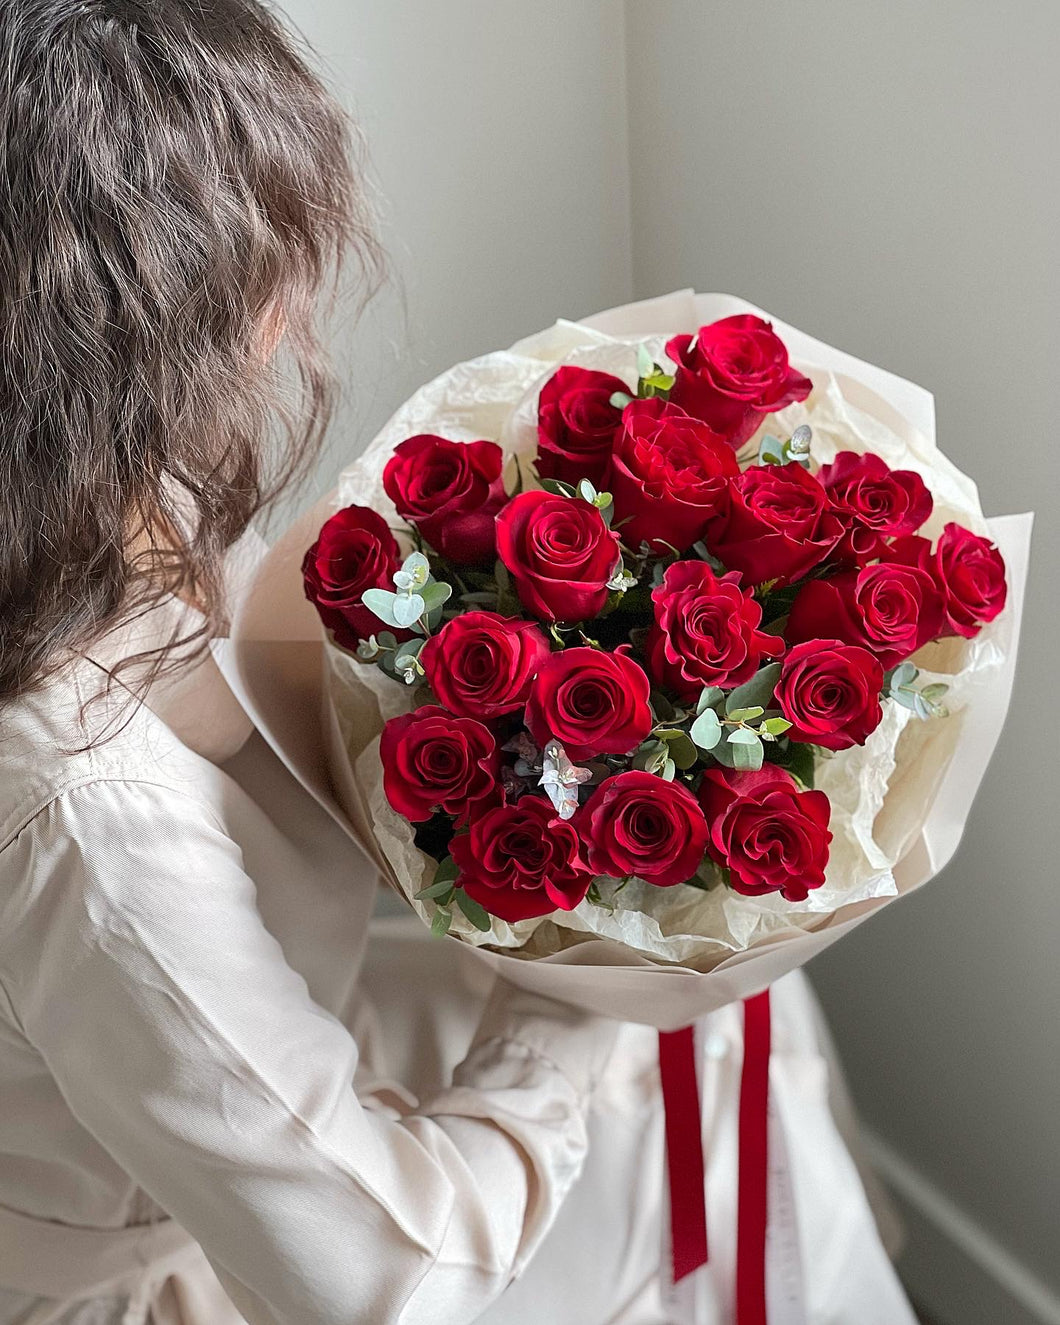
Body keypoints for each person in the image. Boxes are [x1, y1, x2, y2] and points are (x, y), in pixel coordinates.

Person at [0, 2, 916, 1322]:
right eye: (277, 252)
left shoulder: (87, 515)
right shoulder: (89, 806)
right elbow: (389, 1285)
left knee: (733, 1037)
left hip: (164, 1112)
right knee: (688, 1057)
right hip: (165, 1267)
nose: (299, 304)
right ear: (160, 324)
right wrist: (596, 992)